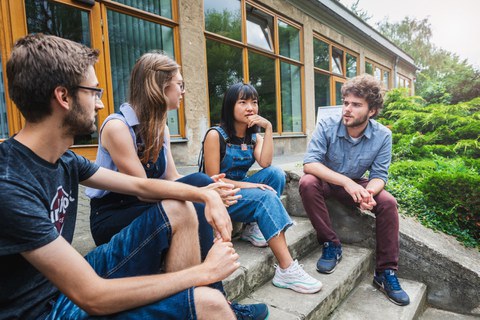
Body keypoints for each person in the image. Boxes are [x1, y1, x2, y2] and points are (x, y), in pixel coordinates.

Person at [0, 33, 267, 319]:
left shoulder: (64, 159)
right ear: (63, 96)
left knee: (180, 208)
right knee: (209, 305)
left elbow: (139, 183)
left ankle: (198, 302)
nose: (100, 104)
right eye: (94, 92)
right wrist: (205, 271)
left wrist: (205, 194)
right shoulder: (10, 185)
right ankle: (208, 302)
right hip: (43, 309)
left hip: (60, 282)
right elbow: (93, 296)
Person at [85, 52, 240, 262]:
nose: (183, 91)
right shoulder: (117, 127)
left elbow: (172, 176)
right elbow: (143, 191)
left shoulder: (161, 128)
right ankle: (208, 281)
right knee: (193, 195)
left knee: (201, 180)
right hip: (113, 216)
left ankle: (203, 270)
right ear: (160, 86)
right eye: (180, 84)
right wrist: (199, 193)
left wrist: (206, 188)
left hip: (143, 205)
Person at [200, 82, 322, 294]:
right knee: (265, 198)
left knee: (275, 173)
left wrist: (268, 129)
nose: (250, 107)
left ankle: (252, 228)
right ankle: (287, 269)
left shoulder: (254, 137)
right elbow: (213, 181)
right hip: (218, 198)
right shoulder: (215, 135)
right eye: (243, 102)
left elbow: (265, 163)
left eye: (254, 102)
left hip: (239, 192)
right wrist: (248, 184)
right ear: (230, 106)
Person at [299, 74, 410, 306]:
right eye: (346, 102)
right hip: (328, 181)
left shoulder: (383, 135)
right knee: (307, 182)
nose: (347, 109)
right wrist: (346, 183)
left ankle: (385, 272)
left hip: (358, 184)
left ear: (372, 111)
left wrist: (368, 193)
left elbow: (380, 176)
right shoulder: (328, 125)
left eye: (356, 105)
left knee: (388, 202)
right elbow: (310, 164)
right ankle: (331, 243)